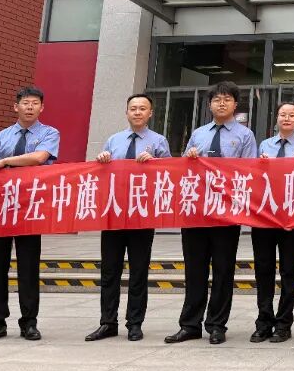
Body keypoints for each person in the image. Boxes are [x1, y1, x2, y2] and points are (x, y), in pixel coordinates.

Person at [165, 81, 257, 345]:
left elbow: (249, 172)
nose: (222, 103)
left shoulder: (245, 135)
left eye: (227, 99)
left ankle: (217, 325)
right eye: (217, 99)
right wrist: (191, 158)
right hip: (196, 212)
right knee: (194, 270)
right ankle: (189, 325)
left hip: (226, 214)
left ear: (235, 104)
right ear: (209, 105)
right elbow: (184, 170)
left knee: (223, 270)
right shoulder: (199, 134)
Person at [0, 86, 60, 343]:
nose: (30, 107)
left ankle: (29, 322)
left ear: (42, 108)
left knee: (28, 267)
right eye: (25, 103)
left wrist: (7, 161)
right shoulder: (1, 137)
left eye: (35, 103)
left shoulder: (49, 133)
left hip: (30, 208)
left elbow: (40, 158)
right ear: (16, 107)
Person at [86, 94, 172, 343]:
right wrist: (102, 161)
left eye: (142, 108)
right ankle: (107, 322)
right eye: (133, 108)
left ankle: (135, 323)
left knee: (138, 271)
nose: (137, 112)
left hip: (142, 215)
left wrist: (154, 163)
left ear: (150, 113)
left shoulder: (158, 141)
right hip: (113, 213)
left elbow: (170, 174)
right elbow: (102, 175)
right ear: (126, 112)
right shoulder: (114, 140)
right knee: (109, 271)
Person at [249, 101, 294, 344]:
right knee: (263, 269)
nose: (287, 118)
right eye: (282, 114)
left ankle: (284, 323)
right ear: (276, 118)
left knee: (289, 271)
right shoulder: (264, 145)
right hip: (264, 217)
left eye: (292, 115)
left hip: (291, 219)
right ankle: (263, 321)